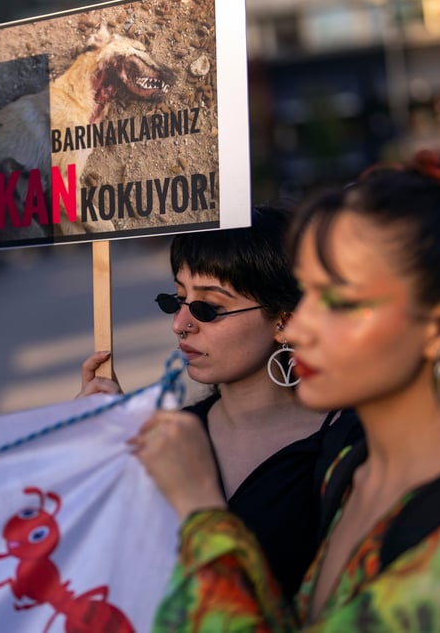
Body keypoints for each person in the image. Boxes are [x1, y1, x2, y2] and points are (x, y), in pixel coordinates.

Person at [132, 136, 440, 627]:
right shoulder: (352, 469)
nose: (299, 328)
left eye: (339, 302)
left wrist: (200, 509)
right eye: (308, 294)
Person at [78, 205, 362, 600]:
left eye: (208, 307)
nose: (180, 323)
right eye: (176, 299)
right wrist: (116, 443)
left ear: (284, 320)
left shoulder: (349, 448)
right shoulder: (170, 438)